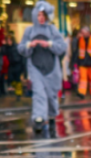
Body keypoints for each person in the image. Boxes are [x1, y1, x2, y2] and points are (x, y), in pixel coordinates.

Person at [18, 0, 67, 136]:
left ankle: (51, 117)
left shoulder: (52, 30)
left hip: (52, 69)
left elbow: (62, 47)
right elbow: (21, 48)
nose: (41, 18)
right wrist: (30, 45)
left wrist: (49, 44)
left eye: (43, 15)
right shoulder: (29, 31)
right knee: (39, 94)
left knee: (51, 96)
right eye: (39, 15)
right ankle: (38, 119)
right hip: (35, 68)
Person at [72, 26, 91, 98]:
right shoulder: (80, 39)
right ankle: (82, 93)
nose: (81, 34)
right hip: (82, 62)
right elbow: (78, 51)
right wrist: (76, 61)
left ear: (88, 32)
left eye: (83, 32)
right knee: (83, 79)